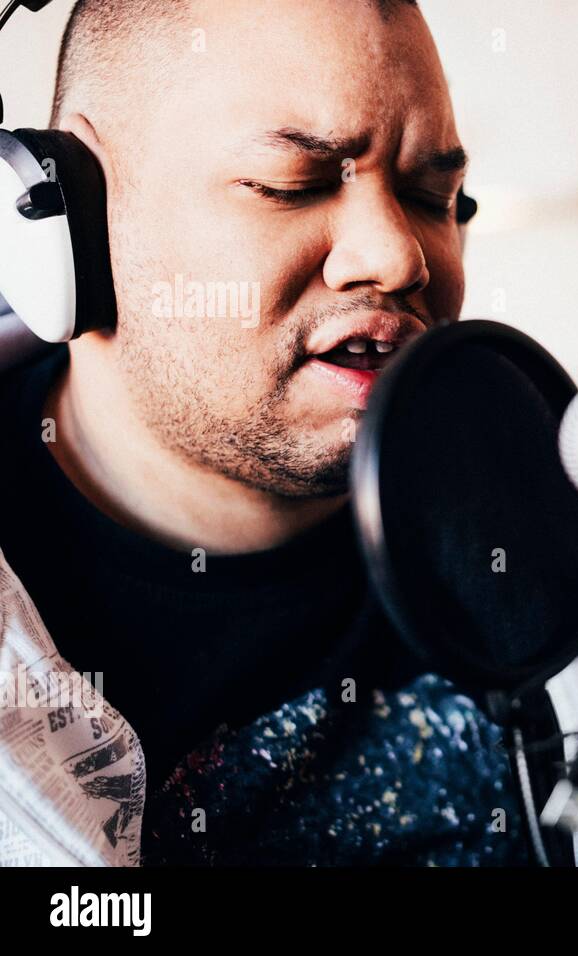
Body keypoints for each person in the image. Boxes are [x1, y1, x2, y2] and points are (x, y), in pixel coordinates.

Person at [0, 0, 540, 866]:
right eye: (293, 184)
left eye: (430, 196)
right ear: (69, 220)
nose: (400, 258)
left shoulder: (537, 524)